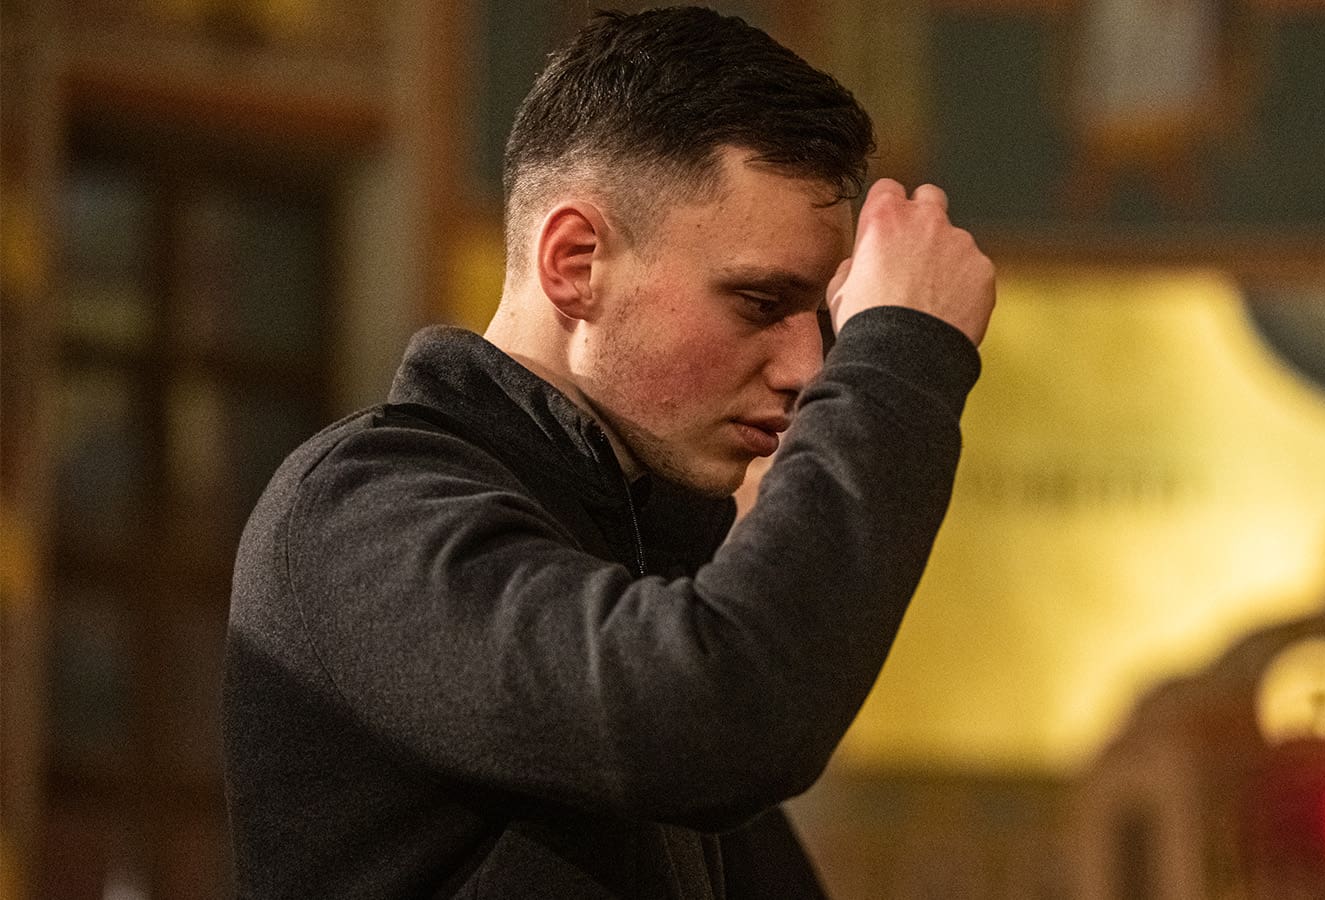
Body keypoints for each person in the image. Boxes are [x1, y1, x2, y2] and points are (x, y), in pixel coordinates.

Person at [223, 7, 995, 898]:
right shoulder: (357, 510)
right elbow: (718, 718)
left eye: (824, 318)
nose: (809, 368)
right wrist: (898, 358)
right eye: (757, 302)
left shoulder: (648, 574)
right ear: (577, 262)